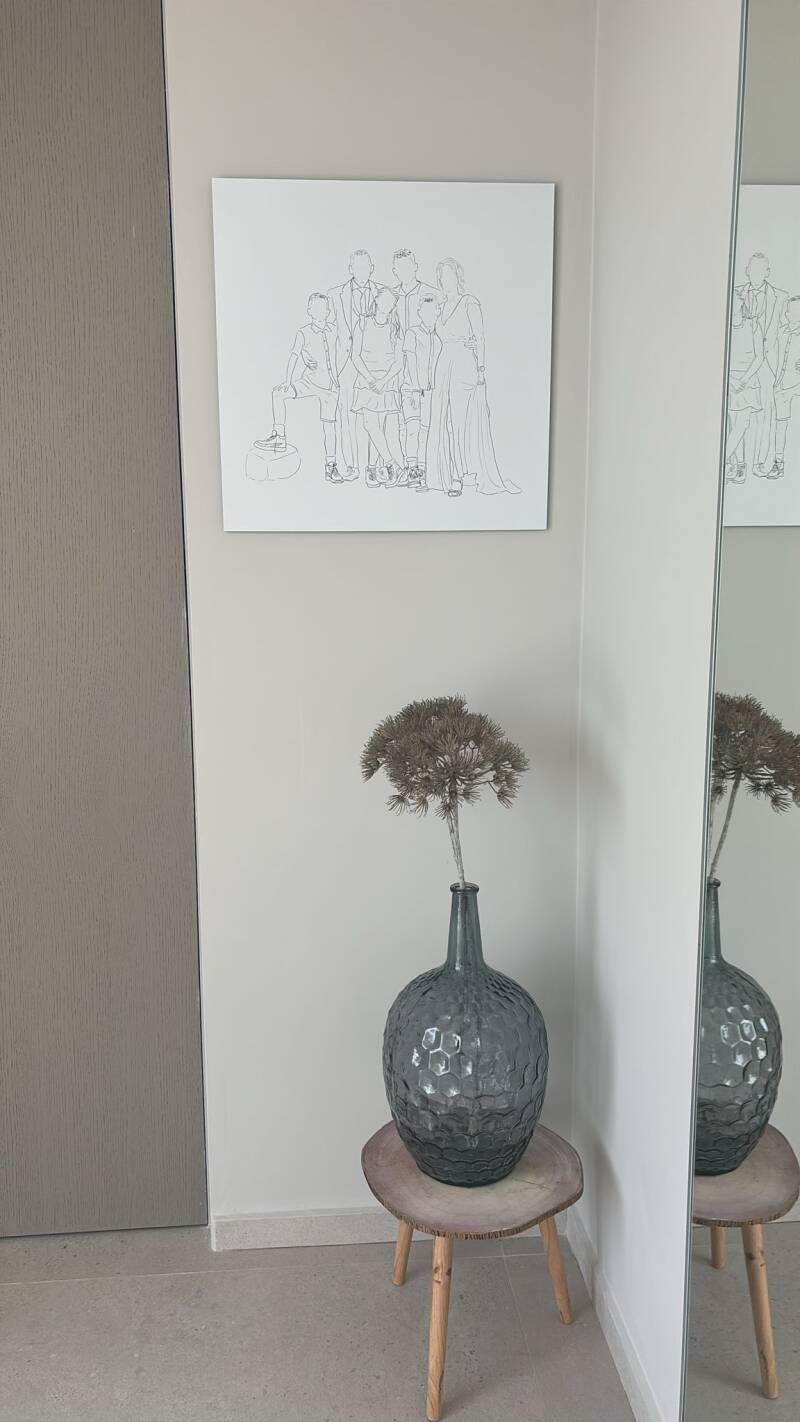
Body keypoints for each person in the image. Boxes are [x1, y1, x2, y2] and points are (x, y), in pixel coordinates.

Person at [425, 257, 517, 497]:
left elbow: (480, 338)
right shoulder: (440, 306)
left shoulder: (469, 303)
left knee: (459, 422)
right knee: (443, 421)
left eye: (449, 275)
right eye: (442, 277)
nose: (445, 280)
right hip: (443, 364)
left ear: (458, 277)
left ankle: (461, 475)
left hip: (463, 364)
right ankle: (450, 474)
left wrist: (481, 369)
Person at [256, 292, 342, 483]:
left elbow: (343, 351)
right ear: (309, 311)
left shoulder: (334, 330)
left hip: (330, 387)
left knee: (330, 427)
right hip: (310, 381)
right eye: (315, 308)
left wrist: (337, 376)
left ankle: (331, 466)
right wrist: (288, 380)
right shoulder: (304, 333)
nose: (320, 311)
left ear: (328, 311)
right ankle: (279, 436)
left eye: (323, 308)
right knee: (278, 393)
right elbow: (294, 356)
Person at [328, 250, 382, 479]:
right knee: (347, 416)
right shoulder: (335, 295)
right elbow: (330, 331)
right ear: (350, 269)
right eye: (357, 267)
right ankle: (351, 466)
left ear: (372, 268)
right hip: (346, 363)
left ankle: (372, 467)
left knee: (374, 415)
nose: (361, 271)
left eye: (365, 266)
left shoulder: (382, 293)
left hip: (372, 364)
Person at [734, 253, 788, 476]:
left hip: (768, 365)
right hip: (743, 364)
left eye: (761, 270)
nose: (756, 274)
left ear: (767, 272)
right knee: (738, 414)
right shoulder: (735, 293)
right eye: (753, 269)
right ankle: (739, 464)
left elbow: (788, 329)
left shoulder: (781, 297)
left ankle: (761, 463)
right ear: (747, 271)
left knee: (766, 415)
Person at [351, 286, 405, 487]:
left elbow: (399, 362)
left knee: (378, 428)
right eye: (385, 300)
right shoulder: (363, 323)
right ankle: (392, 465)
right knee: (370, 425)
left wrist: (383, 381)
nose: (387, 304)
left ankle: (372, 470)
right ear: (376, 299)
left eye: (391, 302)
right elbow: (355, 355)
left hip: (387, 383)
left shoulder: (395, 328)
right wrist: (369, 378)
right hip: (366, 381)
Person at [401, 292, 442, 491]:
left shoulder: (438, 338)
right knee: (412, 430)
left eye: (432, 311)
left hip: (431, 392)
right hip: (412, 390)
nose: (429, 315)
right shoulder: (412, 333)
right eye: (425, 311)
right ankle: (412, 470)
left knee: (425, 432)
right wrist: (416, 389)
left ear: (437, 312)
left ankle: (423, 473)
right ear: (419, 312)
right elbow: (410, 362)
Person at [724, 290, 765, 484]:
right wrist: (731, 380)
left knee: (743, 423)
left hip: (748, 381)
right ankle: (739, 465)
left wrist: (745, 379)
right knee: (734, 425)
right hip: (730, 380)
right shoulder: (724, 326)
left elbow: (760, 357)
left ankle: (723, 459)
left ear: (741, 302)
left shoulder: (753, 324)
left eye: (736, 300)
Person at [767, 294, 800, 479]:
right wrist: (776, 377)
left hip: (797, 383)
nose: (791, 314)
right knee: (780, 425)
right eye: (790, 311)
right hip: (781, 384)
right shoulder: (781, 332)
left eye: (796, 311)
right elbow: (772, 353)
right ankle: (778, 463)